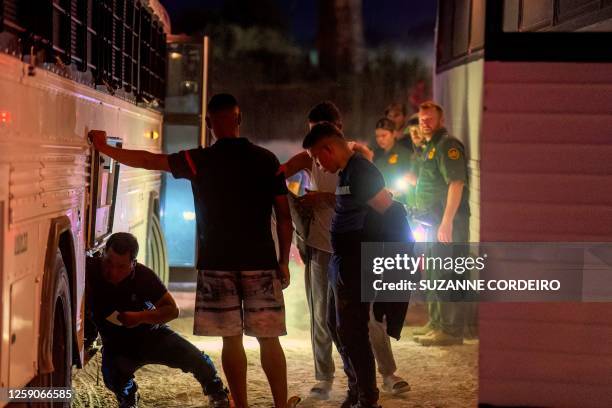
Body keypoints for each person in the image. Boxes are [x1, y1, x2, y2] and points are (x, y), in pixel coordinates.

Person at [89, 93, 294, 408]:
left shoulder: (199, 160)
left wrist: (104, 149)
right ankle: (280, 405)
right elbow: (284, 217)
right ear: (239, 119)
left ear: (209, 124)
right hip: (261, 263)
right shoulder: (267, 161)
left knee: (231, 340)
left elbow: (148, 160)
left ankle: (241, 405)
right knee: (269, 339)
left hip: (217, 264)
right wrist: (283, 261)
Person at [280, 103, 411, 399]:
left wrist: (385, 263)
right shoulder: (347, 171)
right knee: (332, 323)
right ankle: (355, 388)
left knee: (355, 330)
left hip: (356, 262)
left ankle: (369, 393)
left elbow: (388, 213)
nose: (318, 165)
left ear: (330, 144)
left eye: (317, 156)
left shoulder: (361, 168)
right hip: (339, 258)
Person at [86, 232, 229, 408]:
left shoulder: (143, 276)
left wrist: (140, 318)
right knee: (113, 378)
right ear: (103, 254)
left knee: (196, 358)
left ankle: (216, 391)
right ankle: (129, 396)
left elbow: (172, 310)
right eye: (108, 263)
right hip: (116, 344)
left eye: (121, 266)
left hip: (151, 335)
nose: (112, 272)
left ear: (133, 264)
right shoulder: (90, 268)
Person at [411, 101, 470, 347]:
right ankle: (437, 323)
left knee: (447, 273)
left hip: (448, 222)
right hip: (432, 222)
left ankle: (451, 329)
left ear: (441, 120)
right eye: (422, 119)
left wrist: (446, 222)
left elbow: (456, 183)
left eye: (429, 119)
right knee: (434, 273)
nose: (425, 123)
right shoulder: (431, 146)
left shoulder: (448, 145)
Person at [372, 117, 414, 204]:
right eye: (377, 136)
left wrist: (395, 191)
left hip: (400, 201)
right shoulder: (374, 155)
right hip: (380, 202)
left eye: (383, 135)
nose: (380, 139)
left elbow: (410, 179)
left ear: (394, 133)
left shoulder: (405, 154)